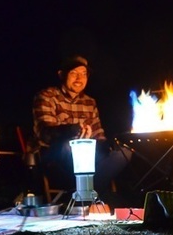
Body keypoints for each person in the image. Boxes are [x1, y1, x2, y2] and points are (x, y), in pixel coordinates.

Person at [32, 55, 131, 206]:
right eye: (74, 73)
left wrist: (109, 145)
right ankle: (92, 195)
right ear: (61, 74)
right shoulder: (47, 96)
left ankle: (83, 196)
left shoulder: (89, 102)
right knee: (67, 145)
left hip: (88, 158)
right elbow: (45, 134)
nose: (79, 78)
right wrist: (72, 131)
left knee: (124, 151)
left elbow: (99, 135)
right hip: (56, 158)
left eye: (83, 74)